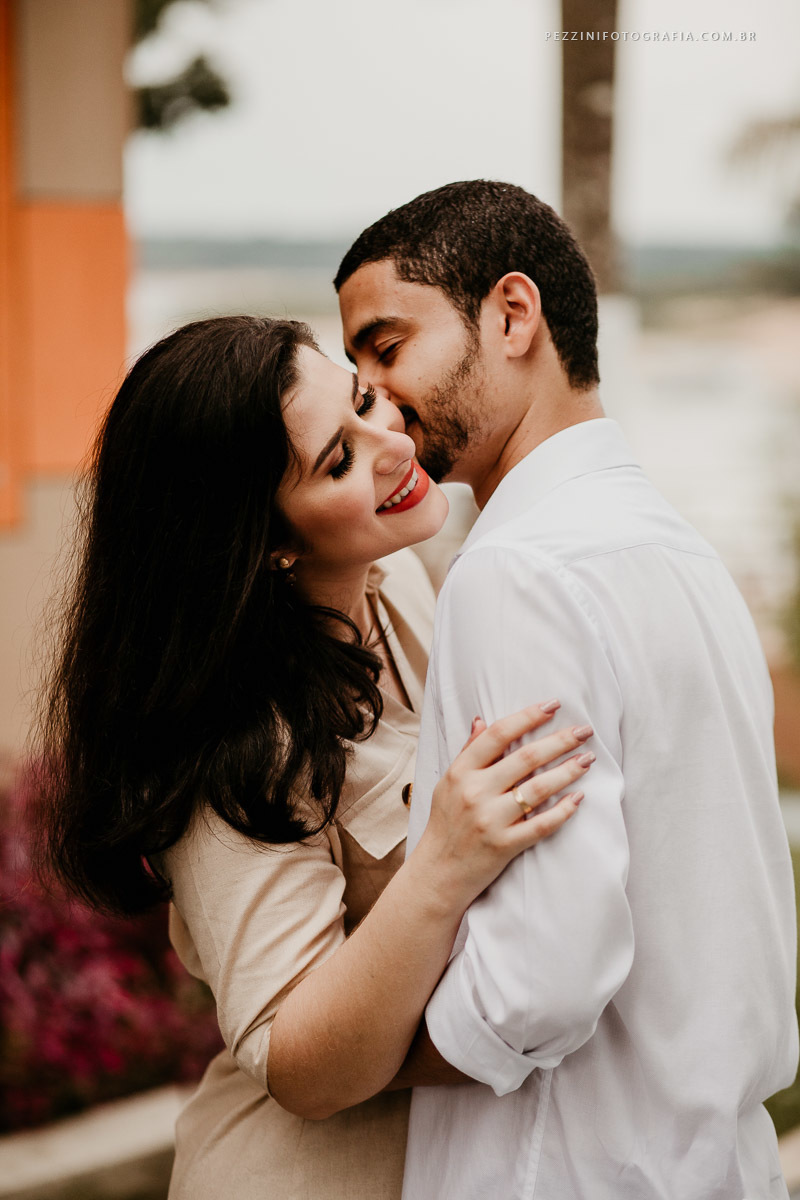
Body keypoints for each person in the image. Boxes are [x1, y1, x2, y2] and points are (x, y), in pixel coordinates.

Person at [35, 314, 598, 1199]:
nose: (389, 443)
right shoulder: (232, 750)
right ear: (264, 541)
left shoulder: (402, 582)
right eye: (337, 460)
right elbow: (297, 1064)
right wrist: (443, 862)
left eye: (367, 400)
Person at [336, 180, 799, 1200]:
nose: (371, 395)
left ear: (510, 315)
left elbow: (538, 980)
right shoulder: (680, 553)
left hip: (564, 1171)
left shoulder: (515, 573)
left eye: (384, 346)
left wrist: (355, 1062)